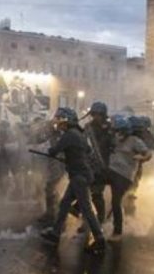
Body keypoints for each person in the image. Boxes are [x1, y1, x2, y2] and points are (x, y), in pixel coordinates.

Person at [39, 107, 108, 253]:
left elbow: (54, 150)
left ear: (67, 121)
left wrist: (56, 153)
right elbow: (87, 151)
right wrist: (72, 155)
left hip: (79, 176)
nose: (58, 124)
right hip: (81, 174)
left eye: (60, 121)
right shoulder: (79, 134)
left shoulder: (69, 135)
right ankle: (55, 234)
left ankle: (99, 238)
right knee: (64, 204)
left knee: (86, 209)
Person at [106, 116, 152, 242]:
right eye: (116, 131)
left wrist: (142, 158)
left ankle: (118, 231)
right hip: (111, 172)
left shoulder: (134, 141)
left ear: (126, 131)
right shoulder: (115, 140)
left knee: (116, 202)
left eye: (120, 131)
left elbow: (148, 154)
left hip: (124, 176)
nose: (117, 134)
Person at [83, 101, 115, 226]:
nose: (96, 117)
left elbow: (115, 145)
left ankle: (105, 218)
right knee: (92, 193)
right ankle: (95, 218)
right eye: (94, 114)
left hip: (108, 164)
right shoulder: (88, 127)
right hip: (93, 165)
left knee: (107, 194)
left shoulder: (110, 128)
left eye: (99, 114)